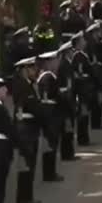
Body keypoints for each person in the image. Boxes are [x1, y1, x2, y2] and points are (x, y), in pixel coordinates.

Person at [12, 57, 42, 203]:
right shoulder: (23, 86)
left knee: (28, 163)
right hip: (27, 129)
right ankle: (24, 196)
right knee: (27, 164)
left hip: (28, 128)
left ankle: (25, 195)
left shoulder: (26, 84)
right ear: (24, 69)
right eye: (31, 68)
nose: (34, 71)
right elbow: (32, 106)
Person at [36, 51, 64, 182]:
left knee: (52, 144)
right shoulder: (47, 78)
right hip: (51, 115)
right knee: (50, 144)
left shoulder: (47, 76)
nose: (57, 63)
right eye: (55, 61)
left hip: (52, 114)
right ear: (49, 62)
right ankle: (49, 173)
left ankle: (50, 171)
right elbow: (46, 99)